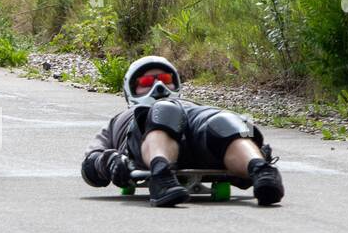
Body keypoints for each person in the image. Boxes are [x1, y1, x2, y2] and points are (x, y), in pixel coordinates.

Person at [81, 55, 284, 207]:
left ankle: (261, 171)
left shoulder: (195, 105)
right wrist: (110, 162)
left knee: (226, 120)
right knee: (164, 110)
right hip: (147, 135)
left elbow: (243, 126)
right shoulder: (121, 119)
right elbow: (90, 164)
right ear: (130, 90)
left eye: (165, 79)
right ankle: (162, 174)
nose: (159, 86)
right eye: (145, 83)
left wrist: (258, 147)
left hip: (197, 129)